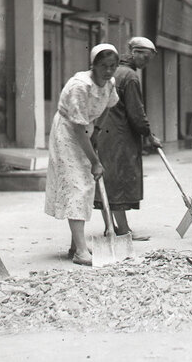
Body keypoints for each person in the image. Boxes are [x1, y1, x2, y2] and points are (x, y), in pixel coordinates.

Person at [45, 43, 120, 266]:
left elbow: (109, 106)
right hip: (67, 133)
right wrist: (95, 161)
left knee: (86, 188)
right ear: (93, 66)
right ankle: (80, 251)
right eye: (104, 66)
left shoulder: (110, 83)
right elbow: (77, 128)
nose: (108, 71)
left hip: (86, 130)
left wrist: (97, 130)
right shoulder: (80, 86)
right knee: (77, 187)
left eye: (113, 66)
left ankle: (75, 245)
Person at [93, 37, 162, 241]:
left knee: (109, 181)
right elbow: (136, 113)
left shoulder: (113, 72)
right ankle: (123, 231)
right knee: (120, 182)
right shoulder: (130, 76)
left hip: (104, 132)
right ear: (134, 53)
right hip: (121, 136)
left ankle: (110, 227)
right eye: (145, 57)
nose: (145, 62)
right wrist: (149, 135)